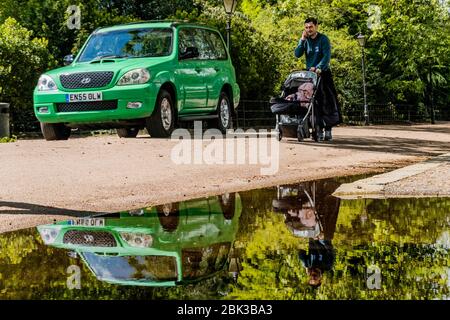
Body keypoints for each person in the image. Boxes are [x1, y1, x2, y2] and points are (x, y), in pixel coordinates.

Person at [294, 17, 342, 141]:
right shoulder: (306, 40)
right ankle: (317, 128)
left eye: (311, 27)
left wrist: (319, 67)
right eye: (306, 27)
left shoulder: (323, 39)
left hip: (323, 74)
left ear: (316, 26)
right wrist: (302, 39)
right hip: (310, 76)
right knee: (312, 103)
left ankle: (328, 129)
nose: (308, 29)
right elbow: (297, 54)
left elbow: (326, 56)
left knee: (327, 102)